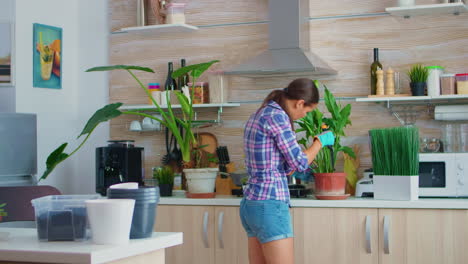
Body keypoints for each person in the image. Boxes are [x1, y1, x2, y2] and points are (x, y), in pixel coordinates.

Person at [240, 78, 335, 264]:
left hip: (251, 204)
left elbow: (271, 161)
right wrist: (319, 142)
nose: (305, 116)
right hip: (269, 204)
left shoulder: (261, 113)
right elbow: (300, 162)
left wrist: (286, 168)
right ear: (300, 103)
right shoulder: (278, 117)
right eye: (307, 111)